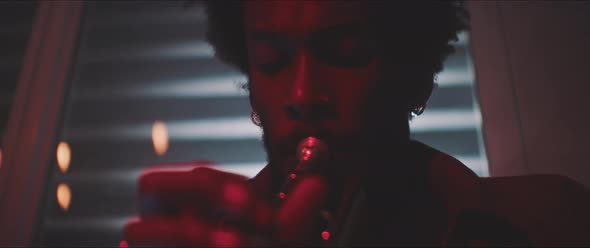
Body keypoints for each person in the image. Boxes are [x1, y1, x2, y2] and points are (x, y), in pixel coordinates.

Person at [123, 1, 590, 246]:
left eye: (344, 53)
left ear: (415, 75)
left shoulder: (553, 220)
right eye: (271, 61)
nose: (303, 96)